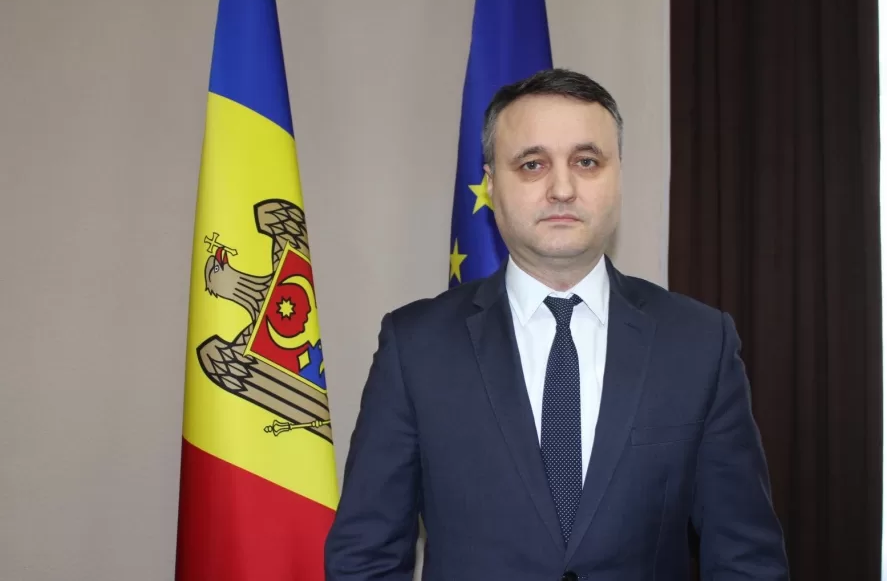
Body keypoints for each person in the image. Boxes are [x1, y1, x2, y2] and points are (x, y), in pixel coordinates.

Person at [324, 68, 789, 580]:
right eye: (532, 164)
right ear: (491, 183)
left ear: (618, 176)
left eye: (586, 162)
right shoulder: (415, 347)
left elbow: (747, 560)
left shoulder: (699, 343)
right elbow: (365, 557)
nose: (562, 189)